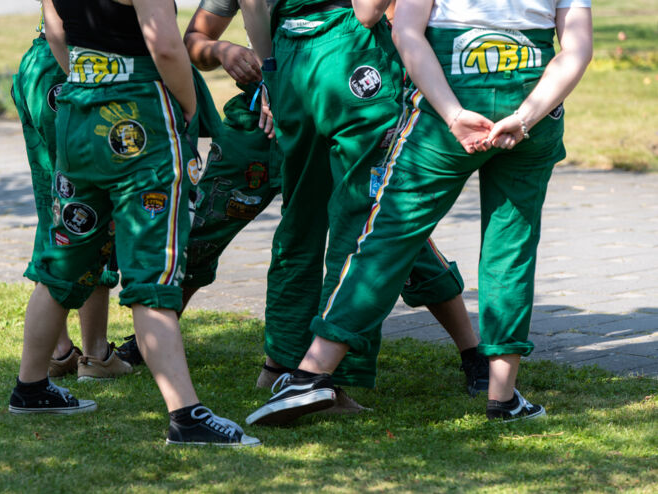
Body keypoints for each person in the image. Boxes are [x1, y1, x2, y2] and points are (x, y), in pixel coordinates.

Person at [115, 0, 490, 401]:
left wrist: (275, 77)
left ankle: (469, 353)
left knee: (381, 235)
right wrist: (227, 53)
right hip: (272, 116)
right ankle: (166, 335)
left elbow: (392, 20)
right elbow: (198, 38)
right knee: (219, 226)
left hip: (309, 92)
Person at [247, 0, 592, 425]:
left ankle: (311, 374)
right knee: (512, 247)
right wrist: (525, 117)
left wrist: (452, 114)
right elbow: (576, 47)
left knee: (388, 234)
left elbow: (405, 30)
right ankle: (502, 396)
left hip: (450, 83)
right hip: (533, 94)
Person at [8, 0, 260, 448]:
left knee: (63, 258)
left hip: (78, 108)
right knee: (152, 267)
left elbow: (57, 35)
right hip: (139, 114)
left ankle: (30, 387)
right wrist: (186, 106)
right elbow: (164, 45)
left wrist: (89, 84)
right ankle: (186, 415)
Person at [11, 5, 131, 382]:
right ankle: (95, 354)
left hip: (38, 62)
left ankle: (60, 351)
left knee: (55, 204)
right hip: (72, 64)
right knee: (89, 206)